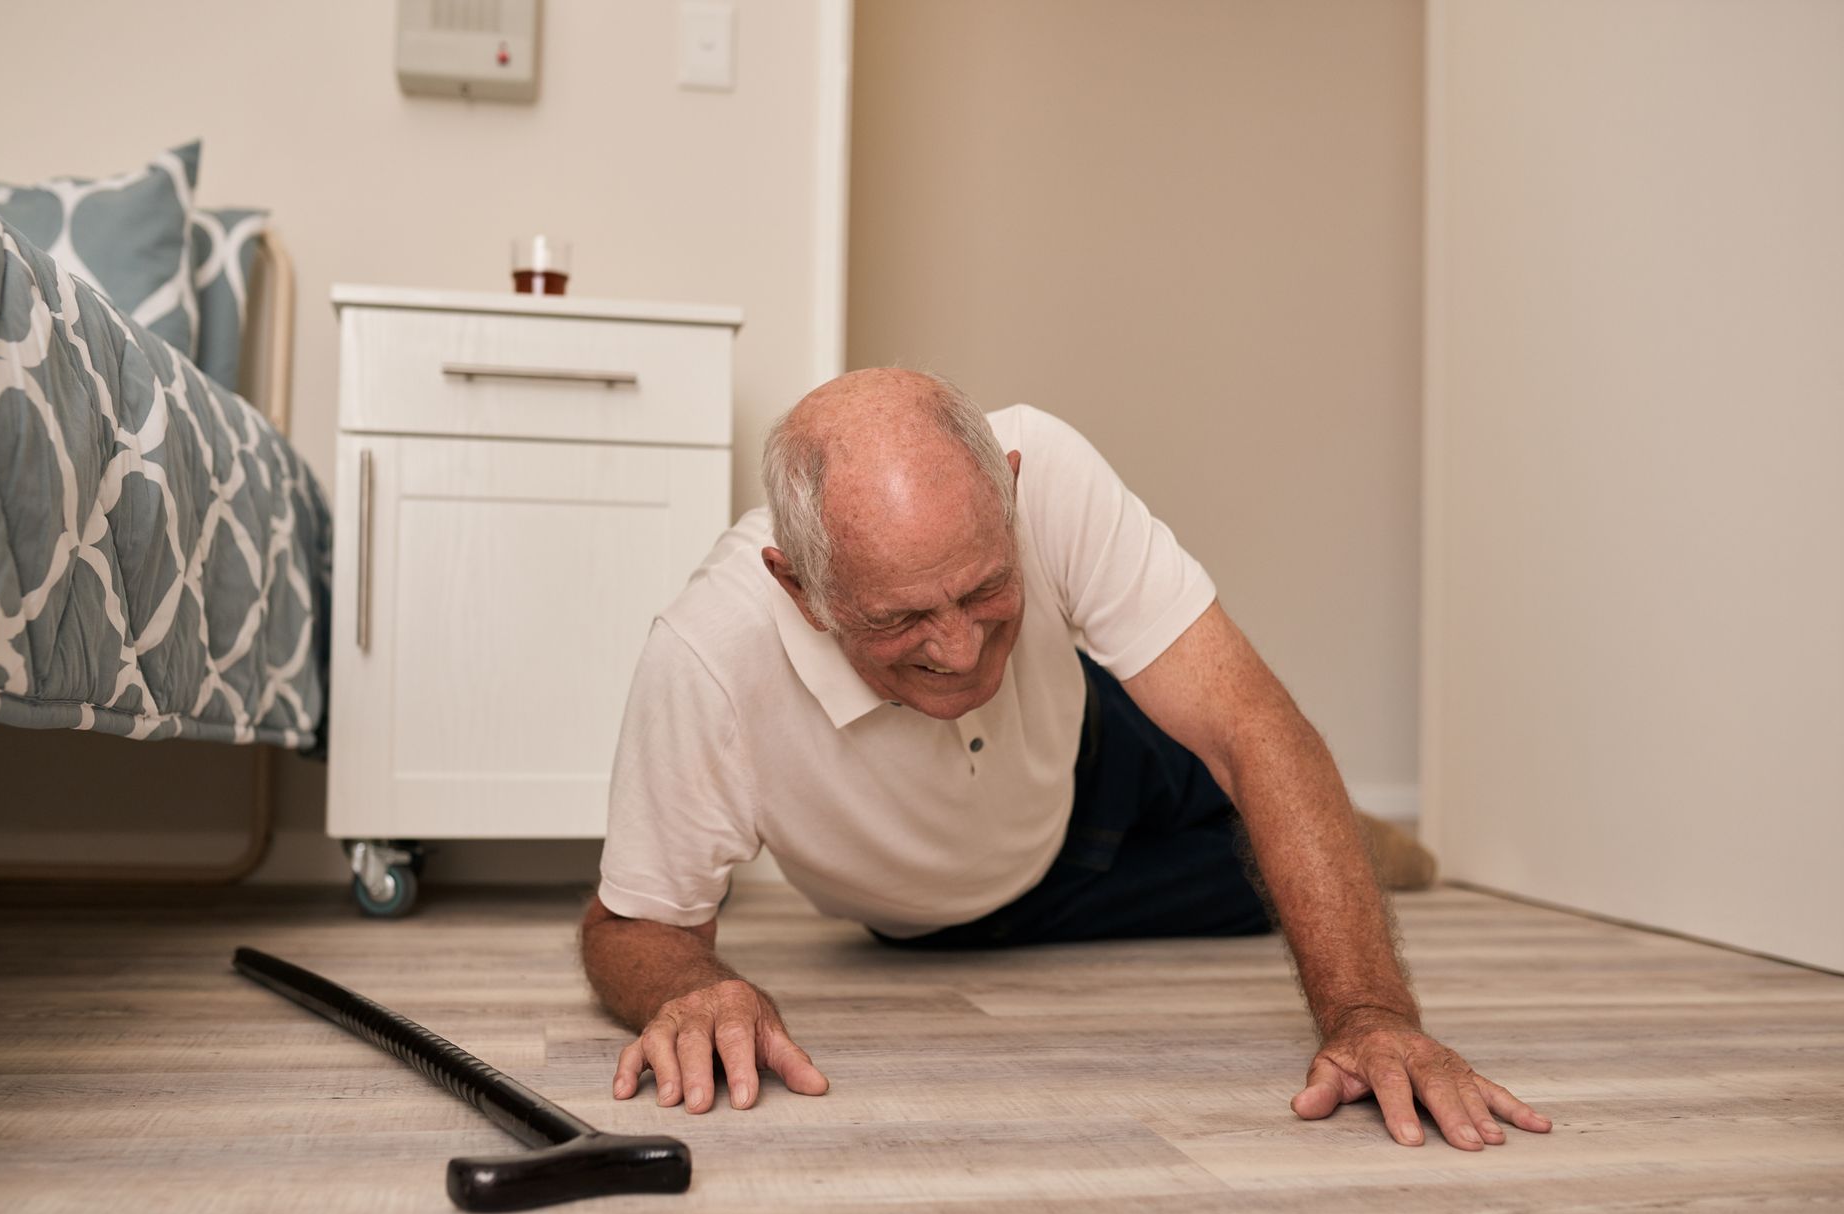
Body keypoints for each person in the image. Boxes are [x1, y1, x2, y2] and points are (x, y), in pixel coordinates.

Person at [580, 368, 1551, 1151]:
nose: (960, 652)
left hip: (1099, 737)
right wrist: (686, 989)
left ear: (1009, 490)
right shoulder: (706, 658)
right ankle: (1354, 848)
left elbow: (1253, 728)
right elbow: (632, 923)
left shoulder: (1047, 464)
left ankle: (1347, 838)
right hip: (977, 913)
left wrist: (1373, 1012)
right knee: (1255, 883)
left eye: (986, 591)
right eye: (902, 619)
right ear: (797, 588)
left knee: (1254, 785)